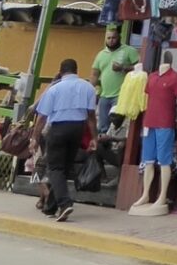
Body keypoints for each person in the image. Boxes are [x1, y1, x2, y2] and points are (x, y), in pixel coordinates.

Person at [31, 58, 98, 223]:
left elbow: (41, 118)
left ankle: (64, 203)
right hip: (78, 129)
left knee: (54, 168)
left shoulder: (55, 89)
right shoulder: (88, 87)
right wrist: (94, 137)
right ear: (76, 71)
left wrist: (34, 137)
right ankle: (51, 207)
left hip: (58, 128)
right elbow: (91, 116)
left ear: (60, 72)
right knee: (64, 168)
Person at [91, 25, 138, 134]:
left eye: (114, 38)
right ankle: (103, 148)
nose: (111, 41)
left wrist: (123, 67)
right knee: (103, 127)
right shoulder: (101, 54)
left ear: (119, 38)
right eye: (109, 38)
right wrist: (89, 90)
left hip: (121, 94)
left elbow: (141, 68)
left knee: (117, 125)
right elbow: (94, 74)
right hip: (104, 95)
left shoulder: (129, 51)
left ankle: (115, 146)